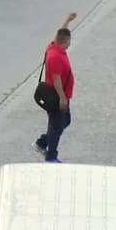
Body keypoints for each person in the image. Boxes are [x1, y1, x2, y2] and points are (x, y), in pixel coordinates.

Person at [35, 13, 77, 163]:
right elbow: (56, 79)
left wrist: (68, 21)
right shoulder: (55, 57)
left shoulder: (53, 46)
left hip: (63, 95)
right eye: (68, 42)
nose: (69, 44)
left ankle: (42, 142)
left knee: (65, 120)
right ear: (65, 42)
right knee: (56, 127)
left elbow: (60, 33)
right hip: (57, 97)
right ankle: (51, 157)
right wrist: (62, 99)